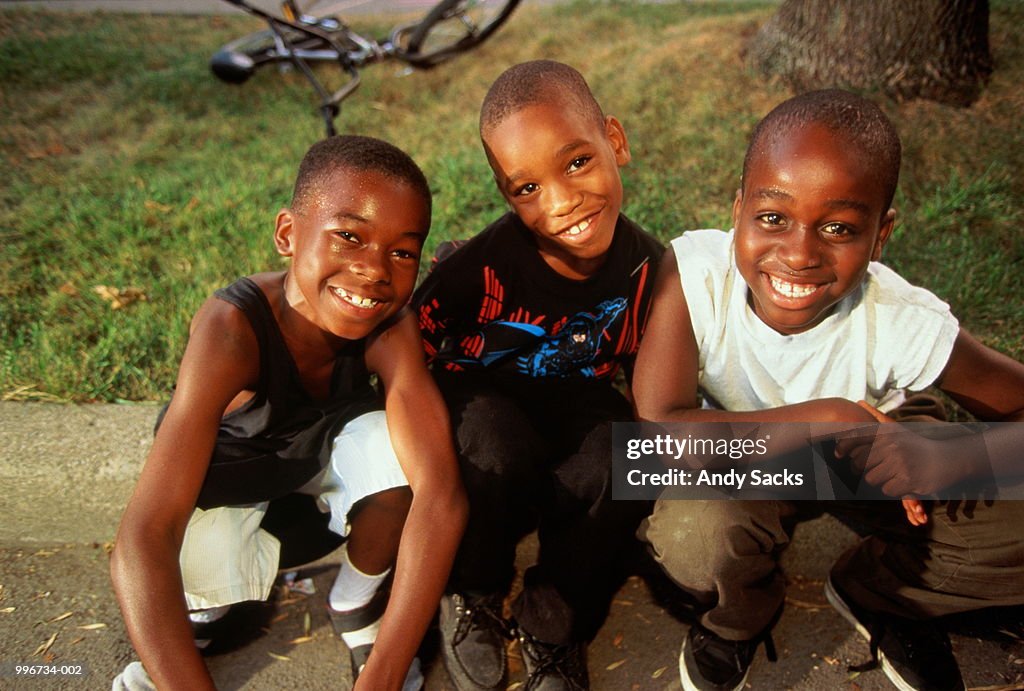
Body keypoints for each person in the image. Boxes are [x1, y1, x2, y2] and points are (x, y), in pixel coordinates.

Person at [632, 89, 1024, 691]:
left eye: (838, 227)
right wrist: (830, 417)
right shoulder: (692, 276)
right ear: (737, 209)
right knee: (697, 529)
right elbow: (659, 434)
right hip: (747, 452)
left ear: (881, 234)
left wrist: (949, 458)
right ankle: (739, 618)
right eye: (772, 218)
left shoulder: (904, 320)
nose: (799, 254)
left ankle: (883, 591)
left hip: (878, 449)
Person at [109, 135, 467, 691]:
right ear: (287, 234)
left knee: (403, 455)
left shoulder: (390, 325)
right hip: (230, 494)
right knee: (188, 575)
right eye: (349, 236)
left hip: (310, 511)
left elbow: (440, 496)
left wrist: (383, 676)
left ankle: (354, 602)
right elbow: (146, 532)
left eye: (401, 252)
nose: (374, 270)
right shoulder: (232, 329)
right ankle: (201, 616)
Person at [411, 60, 664, 690]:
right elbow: (409, 340)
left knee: (620, 457)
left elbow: (651, 378)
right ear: (507, 196)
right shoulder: (482, 265)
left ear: (616, 141)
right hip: (484, 397)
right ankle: (473, 588)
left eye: (577, 162)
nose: (562, 202)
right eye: (528, 189)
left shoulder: (650, 269)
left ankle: (551, 617)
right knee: (491, 440)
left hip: (573, 396)